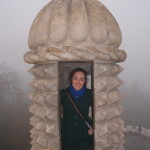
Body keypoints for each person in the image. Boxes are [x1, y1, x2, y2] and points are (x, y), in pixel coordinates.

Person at [60, 68, 93, 150]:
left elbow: (99, 112)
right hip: (67, 133)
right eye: (76, 78)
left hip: (84, 133)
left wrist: (93, 126)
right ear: (71, 79)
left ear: (85, 81)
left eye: (82, 79)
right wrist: (61, 124)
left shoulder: (90, 94)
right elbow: (53, 111)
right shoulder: (63, 94)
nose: (78, 82)